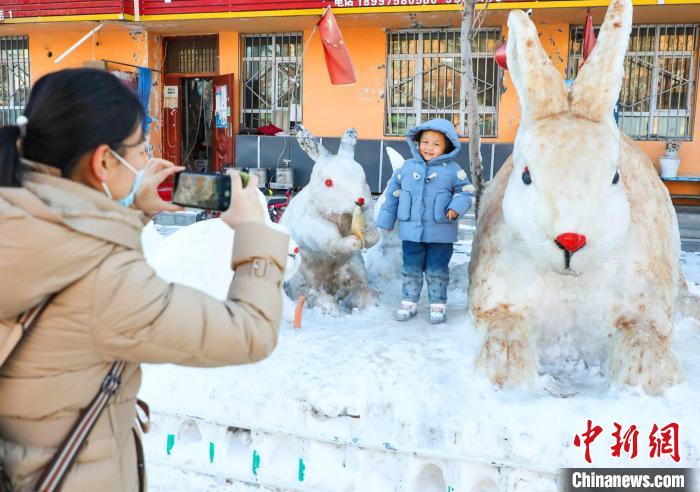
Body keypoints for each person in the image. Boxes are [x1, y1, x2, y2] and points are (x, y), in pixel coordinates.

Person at [0, 68, 289, 491]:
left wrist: (132, 210)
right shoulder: (105, 281)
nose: (146, 159)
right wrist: (254, 231)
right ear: (103, 160)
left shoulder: (19, 221)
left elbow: (69, 259)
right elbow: (251, 332)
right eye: (140, 148)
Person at [376, 118, 473, 324]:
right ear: (417, 142)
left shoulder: (453, 170)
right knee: (411, 268)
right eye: (425, 142)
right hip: (412, 232)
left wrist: (456, 207)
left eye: (436, 144)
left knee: (437, 269)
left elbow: (465, 191)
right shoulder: (406, 168)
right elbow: (393, 194)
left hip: (441, 232)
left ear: (447, 147)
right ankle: (408, 301)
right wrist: (386, 219)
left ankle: (438, 304)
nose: (429, 148)